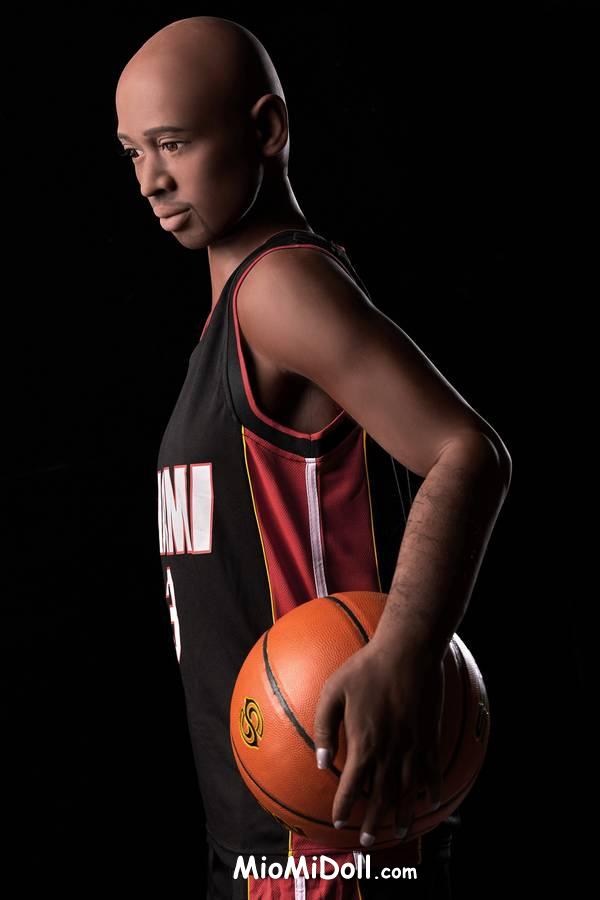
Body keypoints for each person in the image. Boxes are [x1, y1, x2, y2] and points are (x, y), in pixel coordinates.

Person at [115, 15, 511, 899]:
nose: (150, 180)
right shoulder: (231, 316)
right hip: (260, 828)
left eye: (173, 143)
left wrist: (405, 650)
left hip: (325, 834)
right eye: (132, 152)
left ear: (266, 129)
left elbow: (468, 452)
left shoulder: (280, 288)